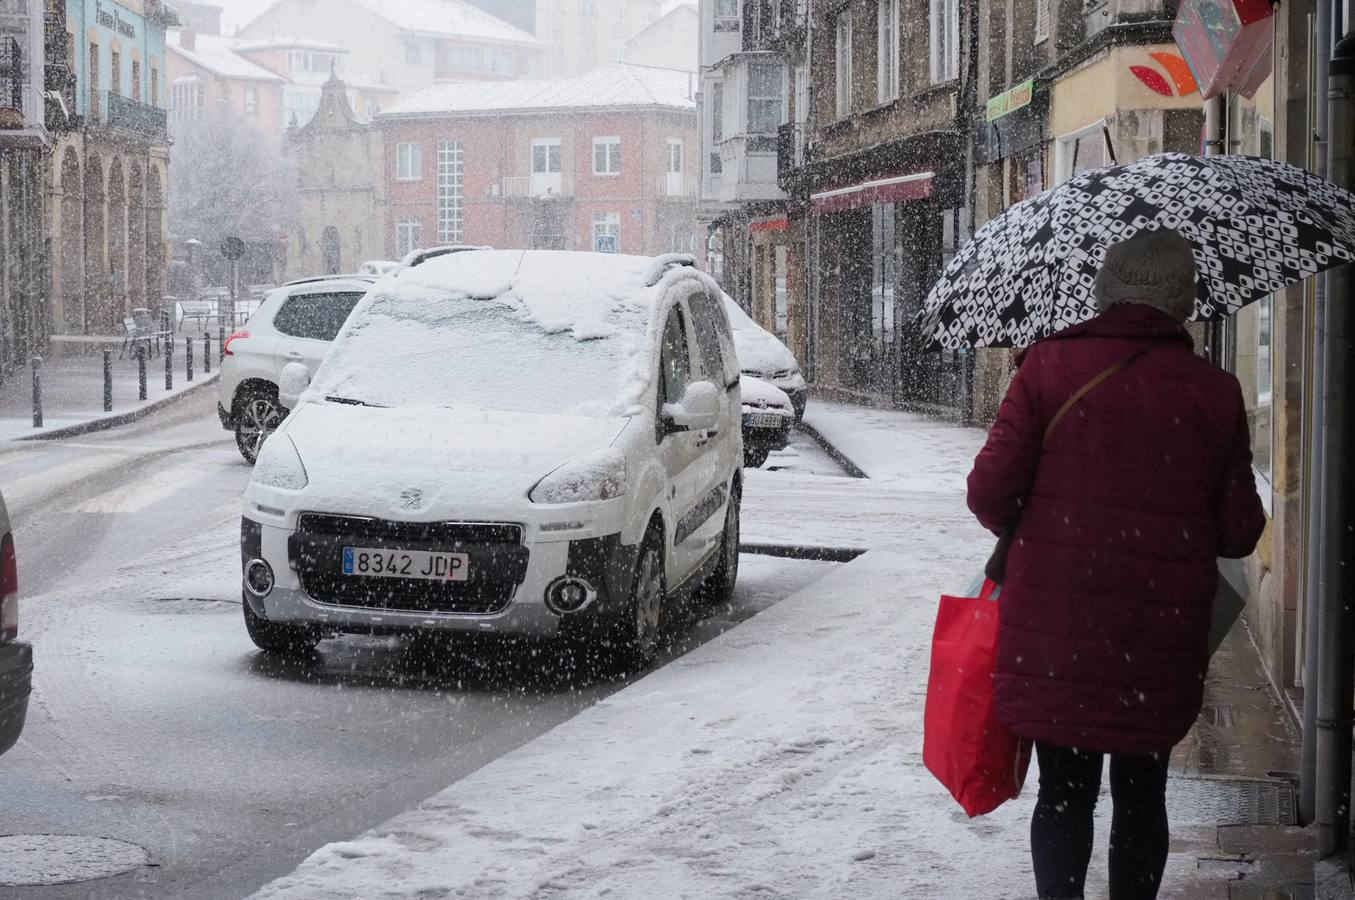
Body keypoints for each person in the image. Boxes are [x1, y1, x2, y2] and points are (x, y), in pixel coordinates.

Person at [965, 228, 1266, 900]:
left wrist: (1043, 520)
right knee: (1140, 792)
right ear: (1182, 299)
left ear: (1105, 289)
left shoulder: (1045, 369)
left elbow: (987, 492)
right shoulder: (1213, 392)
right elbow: (1240, 529)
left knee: (1064, 795)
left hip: (1056, 623)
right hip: (1155, 634)